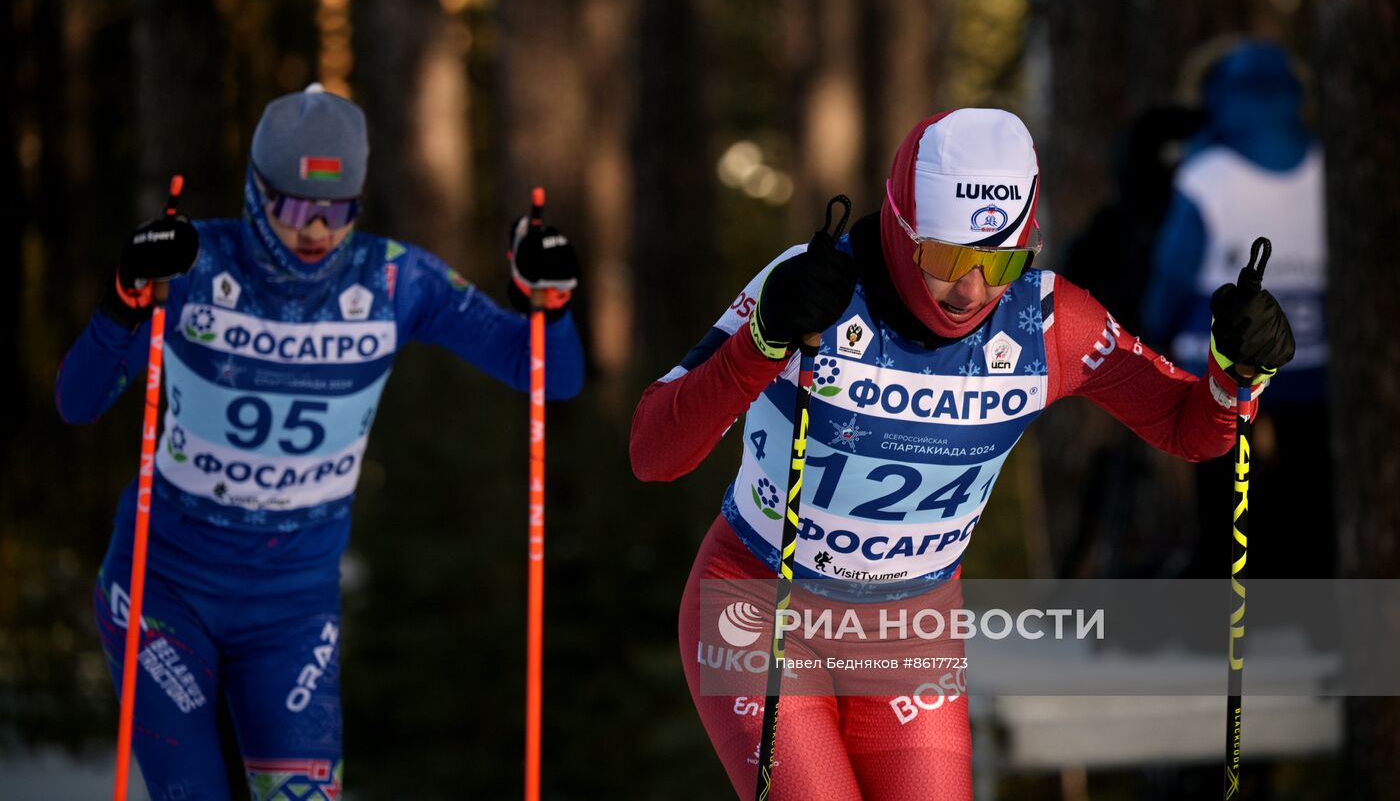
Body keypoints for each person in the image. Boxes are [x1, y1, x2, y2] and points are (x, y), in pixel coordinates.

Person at [629, 108, 1295, 800]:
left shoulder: (1050, 323)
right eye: (948, 257)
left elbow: (1192, 428)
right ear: (900, 223)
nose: (971, 290)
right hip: (760, 608)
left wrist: (1234, 372)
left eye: (1001, 261)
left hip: (912, 631)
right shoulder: (813, 288)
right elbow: (654, 452)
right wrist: (763, 341)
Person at [55, 84, 584, 800]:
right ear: (256, 191)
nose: (316, 230)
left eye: (339, 210)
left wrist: (547, 298)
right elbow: (78, 402)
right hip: (163, 591)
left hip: (292, 611)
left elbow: (549, 376)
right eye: (296, 206)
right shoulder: (196, 266)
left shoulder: (396, 279)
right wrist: (125, 297)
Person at [1142, 38, 1328, 580]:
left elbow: (1174, 271)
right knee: (1313, 489)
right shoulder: (1327, 161)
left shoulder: (1207, 173)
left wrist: (1154, 328)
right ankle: (1316, 613)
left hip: (1217, 361)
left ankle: (1216, 615)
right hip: (1313, 361)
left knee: (1222, 491)